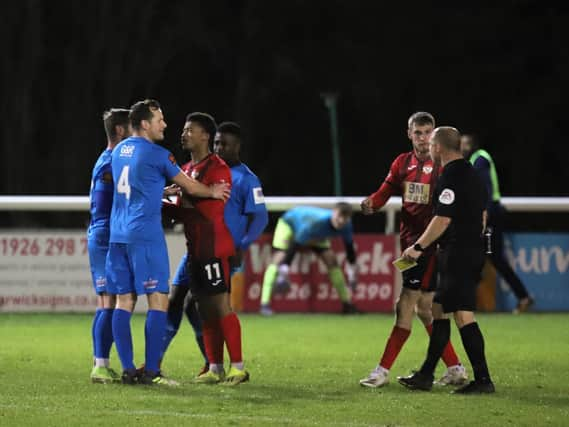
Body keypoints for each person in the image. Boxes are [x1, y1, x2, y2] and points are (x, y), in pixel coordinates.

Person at [106, 100, 230, 386]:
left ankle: (127, 369)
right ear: (145, 124)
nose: (165, 125)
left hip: (117, 235)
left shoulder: (118, 152)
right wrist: (211, 191)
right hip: (144, 236)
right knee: (159, 301)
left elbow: (131, 186)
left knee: (124, 302)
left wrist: (158, 190)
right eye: (159, 120)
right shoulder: (159, 154)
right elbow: (190, 186)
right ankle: (151, 371)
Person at [359, 112, 467, 388]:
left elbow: (449, 207)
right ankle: (455, 367)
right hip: (409, 243)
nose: (423, 138)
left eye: (428, 132)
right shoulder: (401, 163)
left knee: (406, 304)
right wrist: (372, 203)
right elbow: (384, 193)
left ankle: (380, 372)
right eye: (418, 133)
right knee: (425, 309)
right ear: (409, 134)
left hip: (430, 245)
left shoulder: (442, 165)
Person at [398, 126, 495, 394]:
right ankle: (426, 374)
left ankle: (483, 380)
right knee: (439, 309)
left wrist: (418, 247)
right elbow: (483, 216)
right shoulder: (473, 174)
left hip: (458, 254)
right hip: (468, 250)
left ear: (438, 148)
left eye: (430, 145)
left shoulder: (450, 177)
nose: (428, 149)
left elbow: (442, 218)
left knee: (463, 315)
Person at [162, 113, 249, 386]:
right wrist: (176, 197)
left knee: (221, 306)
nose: (184, 133)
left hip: (212, 247)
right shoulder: (187, 169)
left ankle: (239, 367)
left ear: (205, 136)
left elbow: (212, 209)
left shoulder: (218, 167)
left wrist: (182, 197)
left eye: (190, 130)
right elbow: (175, 206)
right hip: (194, 249)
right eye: (184, 129)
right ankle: (215, 368)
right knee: (203, 309)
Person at [460, 134, 534, 313]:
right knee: (489, 258)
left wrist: (483, 216)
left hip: (489, 215)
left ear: (471, 145)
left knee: (482, 257)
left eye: (463, 144)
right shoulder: (474, 160)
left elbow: (485, 189)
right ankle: (522, 297)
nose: (460, 147)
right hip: (489, 213)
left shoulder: (480, 159)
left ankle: (466, 302)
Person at [87, 108, 131, 383]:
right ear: (119, 131)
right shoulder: (112, 162)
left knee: (108, 301)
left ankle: (100, 362)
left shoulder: (107, 159)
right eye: (131, 127)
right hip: (104, 234)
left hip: (103, 232)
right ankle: (100, 365)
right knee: (108, 302)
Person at [259, 203, 359, 315]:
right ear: (334, 212)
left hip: (315, 235)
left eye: (345, 218)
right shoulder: (317, 223)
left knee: (331, 260)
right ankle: (264, 304)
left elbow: (349, 248)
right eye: (339, 216)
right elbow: (296, 244)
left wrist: (352, 273)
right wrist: (284, 270)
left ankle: (347, 304)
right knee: (279, 258)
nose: (341, 221)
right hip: (289, 224)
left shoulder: (346, 225)